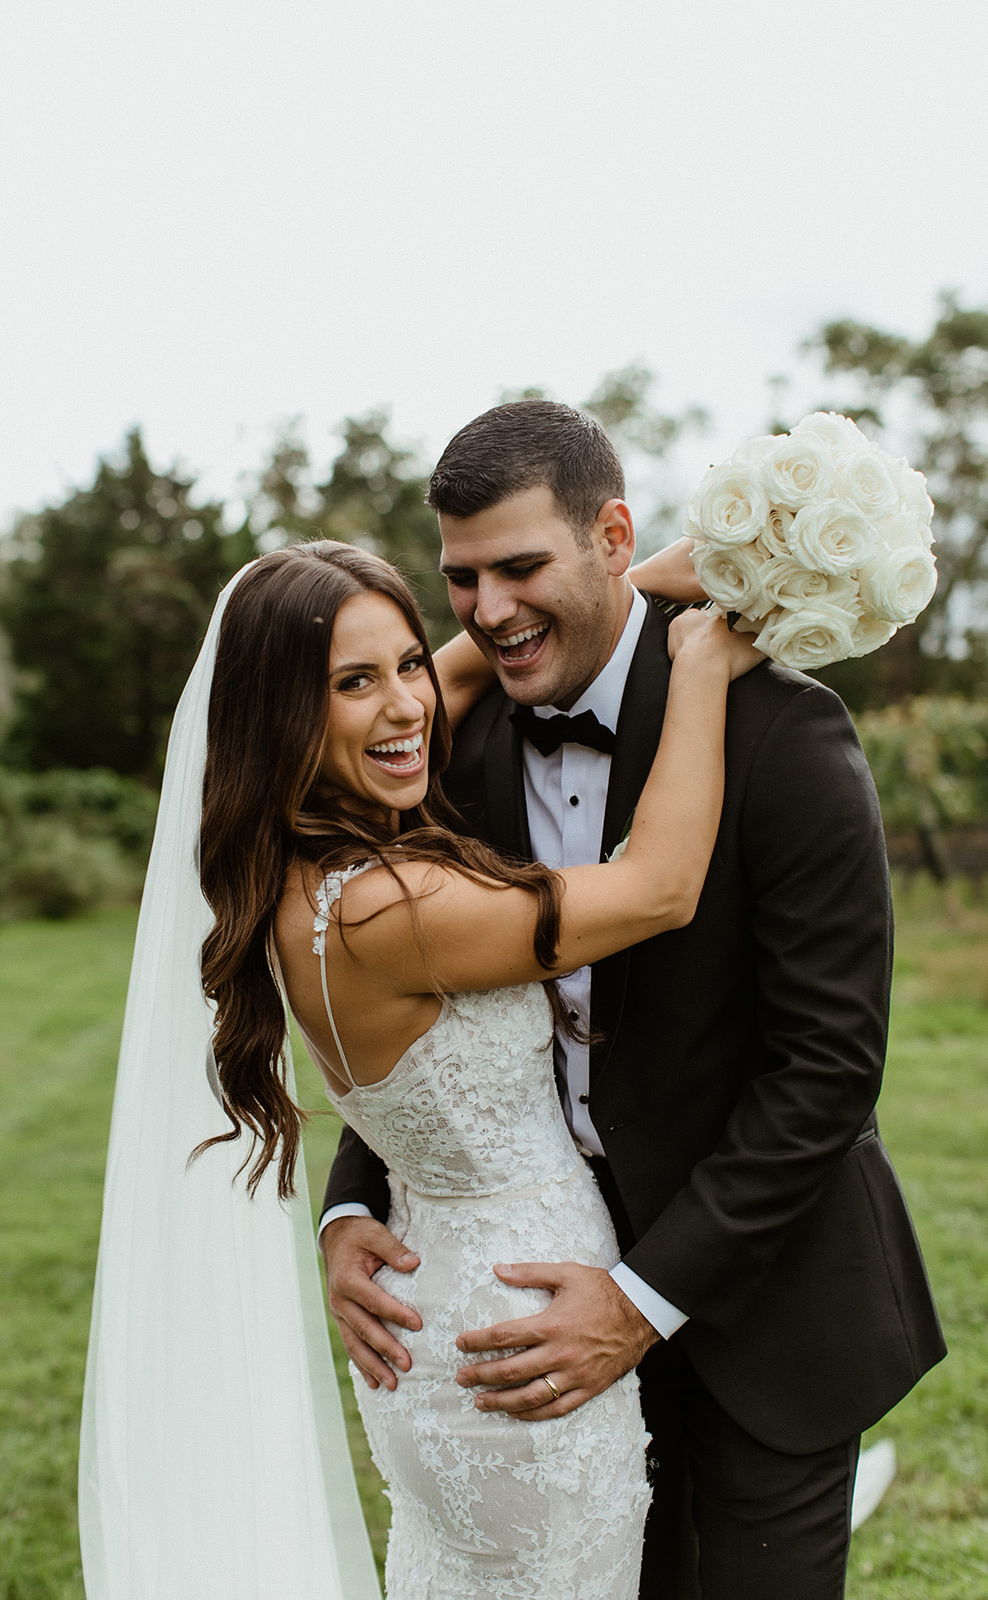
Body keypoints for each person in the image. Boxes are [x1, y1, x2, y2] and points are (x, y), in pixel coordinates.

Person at [320, 400, 947, 1600]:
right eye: (459, 579)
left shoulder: (780, 734)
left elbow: (825, 1070)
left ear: (613, 536)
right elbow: (407, 1007)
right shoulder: (448, 755)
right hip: (544, 1314)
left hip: (768, 1311)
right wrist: (348, 1208)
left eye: (519, 566)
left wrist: (641, 1302)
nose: (488, 610)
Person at [201, 540, 758, 1599]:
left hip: (443, 1320)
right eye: (352, 682)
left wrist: (620, 581)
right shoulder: (388, 910)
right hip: (517, 1358)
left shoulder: (301, 876)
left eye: (407, 661)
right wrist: (699, 664)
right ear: (280, 715)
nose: (407, 703)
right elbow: (655, 889)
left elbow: (443, 685)